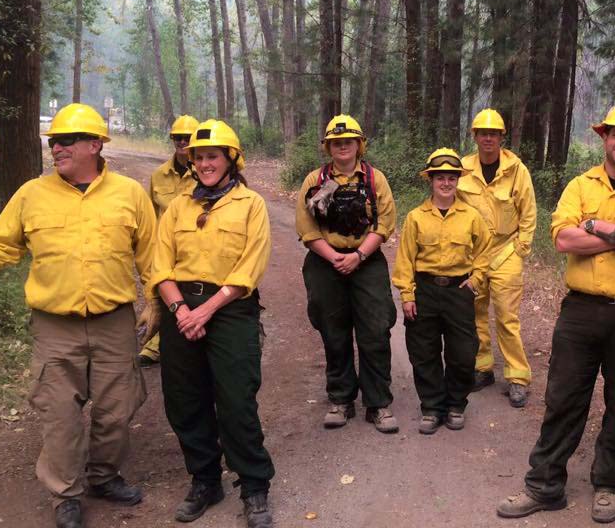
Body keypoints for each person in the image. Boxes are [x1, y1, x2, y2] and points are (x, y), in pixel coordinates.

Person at [0, 103, 155, 528]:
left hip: (115, 322)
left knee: (117, 410)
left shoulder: (129, 194)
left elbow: (152, 255)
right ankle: (65, 496)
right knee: (60, 416)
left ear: (95, 144)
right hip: (55, 326)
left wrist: (158, 301)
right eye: (53, 141)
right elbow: (0, 244)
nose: (56, 147)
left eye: (67, 141)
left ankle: (104, 477)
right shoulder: (32, 194)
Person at [497, 100, 615, 524]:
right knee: (563, 399)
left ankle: (609, 483)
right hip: (580, 311)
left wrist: (592, 225)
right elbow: (562, 241)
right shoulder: (580, 184)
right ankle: (544, 484)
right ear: (604, 137)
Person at [149, 119, 275, 527]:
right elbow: (160, 265)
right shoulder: (178, 207)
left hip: (231, 308)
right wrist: (181, 311)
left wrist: (206, 310)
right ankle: (205, 479)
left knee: (237, 400)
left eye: (212, 156)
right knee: (185, 399)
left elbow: (249, 267)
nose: (204, 163)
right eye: (198, 156)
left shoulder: (250, 204)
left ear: (230, 159)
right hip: (181, 310)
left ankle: (254, 485)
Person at [295, 114, 399, 433]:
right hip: (325, 264)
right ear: (328, 146)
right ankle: (341, 399)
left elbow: (385, 223)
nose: (343, 146)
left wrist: (358, 255)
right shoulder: (315, 180)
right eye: (336, 142)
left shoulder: (374, 179)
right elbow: (307, 228)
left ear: (359, 145)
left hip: (366, 261)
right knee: (333, 332)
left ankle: (378, 403)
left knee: (375, 331)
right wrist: (335, 258)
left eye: (348, 141)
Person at [392, 148, 491, 434]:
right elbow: (405, 259)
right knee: (424, 352)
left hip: (459, 291)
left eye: (451, 178)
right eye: (440, 178)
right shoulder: (415, 218)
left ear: (458, 180)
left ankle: (456, 403)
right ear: (430, 181)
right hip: (425, 290)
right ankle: (432, 407)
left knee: (463, 352)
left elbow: (485, 251)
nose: (446, 183)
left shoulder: (471, 216)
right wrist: (407, 295)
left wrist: (476, 279)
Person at [458, 108, 537, 408]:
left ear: (502, 137)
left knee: (507, 316)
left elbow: (528, 213)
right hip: (473, 254)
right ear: (475, 136)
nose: (488, 138)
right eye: (483, 133)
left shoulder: (517, 170)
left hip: (507, 251)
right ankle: (482, 368)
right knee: (475, 313)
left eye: (494, 133)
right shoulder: (463, 169)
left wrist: (521, 249)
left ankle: (517, 377)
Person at [138, 114, 199, 367]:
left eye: (187, 138)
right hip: (165, 246)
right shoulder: (159, 176)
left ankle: (182, 342)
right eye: (177, 137)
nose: (182, 142)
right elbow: (150, 216)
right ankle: (157, 343)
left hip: (194, 246)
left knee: (191, 296)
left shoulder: (208, 170)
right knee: (163, 292)